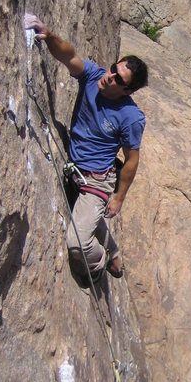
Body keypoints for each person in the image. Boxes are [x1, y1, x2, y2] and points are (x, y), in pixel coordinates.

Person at [24, 14, 148, 282]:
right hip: (76, 168)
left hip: (97, 181)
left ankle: (100, 262)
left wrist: (119, 198)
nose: (109, 76)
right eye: (113, 68)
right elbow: (69, 56)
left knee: (77, 242)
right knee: (87, 216)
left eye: (118, 78)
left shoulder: (131, 117)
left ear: (128, 91)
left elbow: (132, 160)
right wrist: (49, 35)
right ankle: (113, 251)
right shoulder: (93, 76)